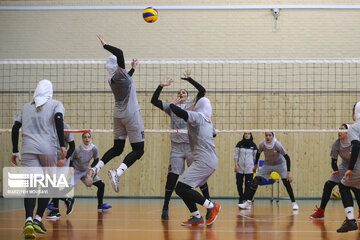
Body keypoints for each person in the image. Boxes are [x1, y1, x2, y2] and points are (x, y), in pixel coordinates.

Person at [85, 35, 144, 193]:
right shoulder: (120, 74)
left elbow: (127, 79)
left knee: (117, 148)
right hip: (131, 114)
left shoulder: (111, 78)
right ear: (118, 65)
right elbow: (120, 52)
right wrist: (105, 46)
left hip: (118, 115)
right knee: (139, 150)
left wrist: (133, 68)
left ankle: (96, 168)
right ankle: (117, 173)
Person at [150, 71, 211, 220]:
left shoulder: (192, 106)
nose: (181, 93)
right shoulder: (172, 107)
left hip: (191, 147)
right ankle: (165, 207)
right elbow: (154, 100)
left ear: (188, 97)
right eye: (179, 92)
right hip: (177, 147)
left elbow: (202, 91)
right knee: (172, 178)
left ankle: (209, 206)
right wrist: (160, 86)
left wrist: (190, 79)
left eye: (183, 92)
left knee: (200, 178)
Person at [11, 79, 67, 238]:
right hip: (48, 148)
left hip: (28, 149)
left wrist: (15, 150)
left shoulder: (25, 107)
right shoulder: (56, 104)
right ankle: (37, 219)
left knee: (30, 186)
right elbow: (58, 119)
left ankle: (28, 219)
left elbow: (15, 128)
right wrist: (62, 145)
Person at [169, 86, 220, 226]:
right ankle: (196, 217)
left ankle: (211, 206)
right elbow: (214, 133)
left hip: (204, 161)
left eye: (195, 104)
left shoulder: (197, 116)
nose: (192, 105)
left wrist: (172, 104)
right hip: (210, 160)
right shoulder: (208, 121)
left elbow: (181, 113)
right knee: (183, 188)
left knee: (180, 188)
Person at [310, 124, 360, 220]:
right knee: (328, 184)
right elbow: (333, 162)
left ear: (348, 131)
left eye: (342, 129)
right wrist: (336, 170)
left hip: (356, 165)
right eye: (339, 129)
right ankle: (321, 211)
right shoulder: (336, 144)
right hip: (344, 166)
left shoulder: (355, 142)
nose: (339, 131)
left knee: (355, 188)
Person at [238, 132, 299, 210]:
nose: (268, 137)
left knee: (286, 182)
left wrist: (289, 173)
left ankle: (294, 203)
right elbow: (258, 154)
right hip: (268, 164)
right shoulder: (262, 144)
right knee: (255, 180)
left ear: (273, 136)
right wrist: (256, 164)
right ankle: (248, 203)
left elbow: (287, 158)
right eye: (266, 135)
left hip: (280, 164)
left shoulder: (277, 145)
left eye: (270, 135)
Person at [66, 132, 112, 213]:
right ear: (82, 139)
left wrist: (92, 167)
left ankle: (100, 205)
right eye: (85, 137)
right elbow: (71, 160)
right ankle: (53, 204)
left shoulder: (94, 148)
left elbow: (96, 159)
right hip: (76, 170)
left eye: (88, 137)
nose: (87, 139)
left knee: (101, 185)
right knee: (65, 187)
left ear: (90, 138)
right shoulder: (77, 149)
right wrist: (71, 168)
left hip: (86, 171)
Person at [336, 102, 360, 233]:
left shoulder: (353, 128)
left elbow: (356, 145)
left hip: (358, 167)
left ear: (353, 115)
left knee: (344, 185)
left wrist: (350, 168)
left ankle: (350, 220)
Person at [47, 122, 76, 219]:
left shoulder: (66, 128)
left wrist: (64, 159)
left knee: (54, 184)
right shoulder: (46, 126)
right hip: (50, 159)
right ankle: (67, 200)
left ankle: (56, 210)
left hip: (62, 161)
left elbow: (72, 146)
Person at [234, 132, 258, 205]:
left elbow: (256, 158)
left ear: (251, 135)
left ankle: (245, 199)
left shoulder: (253, 145)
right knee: (239, 184)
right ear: (244, 135)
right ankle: (241, 198)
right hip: (240, 168)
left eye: (248, 134)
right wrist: (236, 165)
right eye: (245, 134)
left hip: (249, 168)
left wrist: (256, 167)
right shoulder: (239, 144)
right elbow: (236, 156)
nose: (247, 135)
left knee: (248, 185)